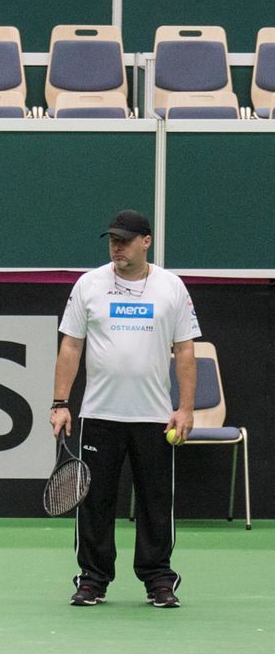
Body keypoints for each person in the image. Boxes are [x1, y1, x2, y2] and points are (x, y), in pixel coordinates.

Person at [50, 209, 198, 608]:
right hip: (99, 415)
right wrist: (61, 403)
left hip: (154, 417)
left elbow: (185, 350)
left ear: (146, 241)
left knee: (154, 502)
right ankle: (93, 579)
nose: (117, 245)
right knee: (94, 502)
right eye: (113, 239)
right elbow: (71, 345)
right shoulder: (89, 285)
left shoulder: (171, 288)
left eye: (125, 239)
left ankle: (158, 580)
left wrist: (185, 409)